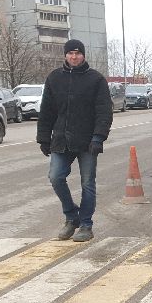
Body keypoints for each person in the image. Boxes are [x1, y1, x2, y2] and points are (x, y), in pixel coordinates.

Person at [37, 39, 113, 243]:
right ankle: (72, 217)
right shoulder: (54, 78)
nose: (74, 57)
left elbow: (104, 111)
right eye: (70, 53)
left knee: (87, 183)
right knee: (55, 177)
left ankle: (86, 225)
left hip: (88, 142)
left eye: (78, 53)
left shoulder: (96, 79)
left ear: (84, 55)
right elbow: (47, 111)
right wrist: (44, 139)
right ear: (65, 55)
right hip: (62, 140)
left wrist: (98, 137)